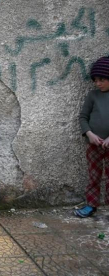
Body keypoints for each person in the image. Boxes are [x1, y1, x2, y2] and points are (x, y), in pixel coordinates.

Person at [76, 56, 109, 218]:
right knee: (94, 176)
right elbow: (83, 117)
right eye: (96, 80)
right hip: (94, 143)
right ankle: (91, 204)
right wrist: (89, 134)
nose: (98, 83)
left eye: (102, 79)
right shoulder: (93, 96)